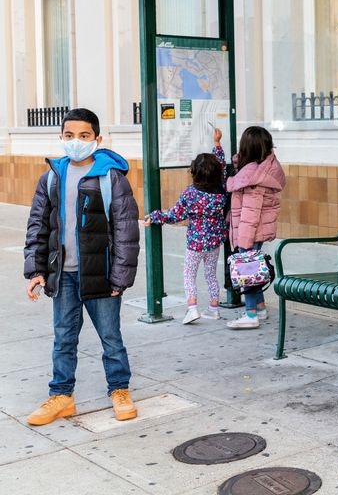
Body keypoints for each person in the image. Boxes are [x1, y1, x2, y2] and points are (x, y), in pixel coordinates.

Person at [23, 108, 140, 426]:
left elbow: (126, 230)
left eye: (84, 136)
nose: (76, 141)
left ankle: (119, 389)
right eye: (70, 135)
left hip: (100, 273)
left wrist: (120, 275)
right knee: (63, 338)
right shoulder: (51, 177)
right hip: (63, 275)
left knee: (110, 337)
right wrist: (36, 272)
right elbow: (38, 227)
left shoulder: (110, 177)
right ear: (61, 138)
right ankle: (62, 396)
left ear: (97, 139)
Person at [144, 128, 227, 324]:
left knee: (189, 274)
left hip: (195, 244)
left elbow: (175, 215)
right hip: (214, 242)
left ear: (194, 173)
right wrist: (217, 145)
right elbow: (221, 166)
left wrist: (155, 217)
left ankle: (192, 308)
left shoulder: (191, 194)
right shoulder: (221, 189)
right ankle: (214, 309)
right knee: (211, 275)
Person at [226, 126, 285, 330]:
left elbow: (251, 213)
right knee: (254, 265)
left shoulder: (252, 179)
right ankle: (259, 307)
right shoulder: (265, 167)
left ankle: (250, 314)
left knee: (247, 268)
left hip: (249, 230)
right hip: (257, 228)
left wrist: (244, 241)